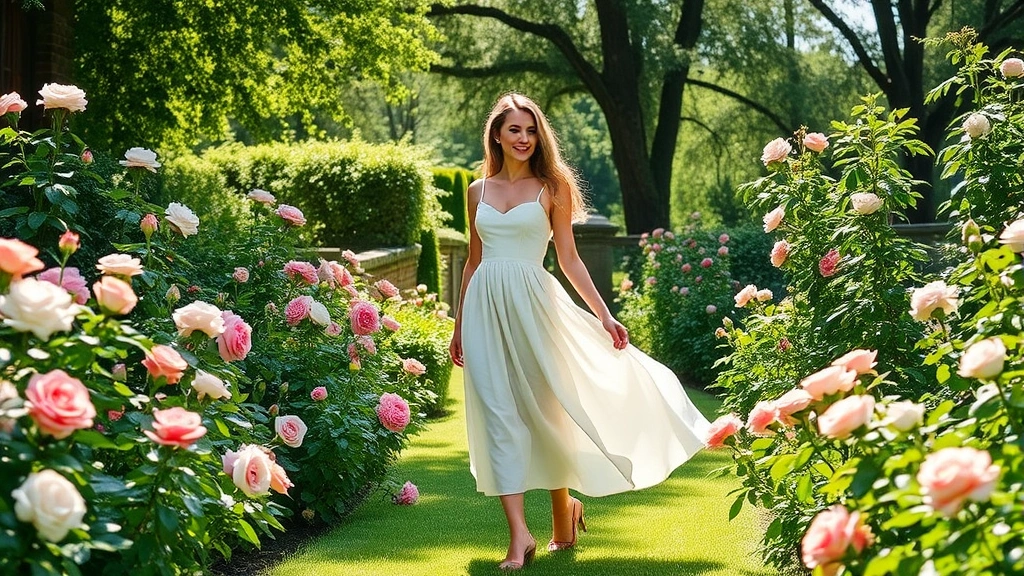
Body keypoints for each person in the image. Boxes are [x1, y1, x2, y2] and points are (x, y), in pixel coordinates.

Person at [449, 93, 711, 571]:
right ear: (496, 135)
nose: (524, 138)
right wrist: (459, 326)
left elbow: (568, 259)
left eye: (531, 130)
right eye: (514, 130)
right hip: (485, 307)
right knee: (497, 414)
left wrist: (605, 315)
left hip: (536, 305)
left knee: (549, 410)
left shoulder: (552, 187)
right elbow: (473, 260)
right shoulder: (475, 192)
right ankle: (519, 535)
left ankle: (564, 511)